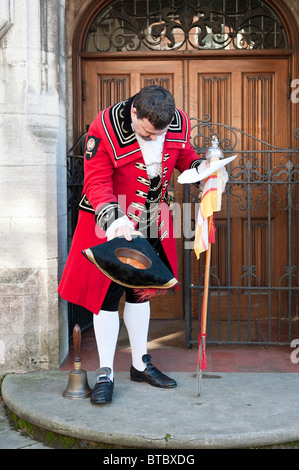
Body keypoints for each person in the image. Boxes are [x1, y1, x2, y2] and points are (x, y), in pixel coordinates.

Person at [58, 85, 202, 404]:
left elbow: (184, 156)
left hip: (151, 219)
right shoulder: (104, 125)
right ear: (134, 112)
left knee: (139, 294)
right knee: (107, 298)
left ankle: (140, 364)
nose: (153, 139)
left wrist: (202, 168)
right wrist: (116, 220)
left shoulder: (176, 122)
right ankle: (106, 372)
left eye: (158, 134)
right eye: (147, 134)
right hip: (110, 218)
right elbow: (95, 181)